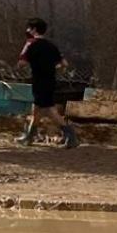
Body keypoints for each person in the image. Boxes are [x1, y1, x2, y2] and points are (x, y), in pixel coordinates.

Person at [17, 18, 77, 148]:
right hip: (50, 80)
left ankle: (69, 133)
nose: (27, 30)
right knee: (36, 110)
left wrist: (29, 54)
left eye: (29, 28)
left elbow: (21, 63)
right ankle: (29, 136)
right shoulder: (51, 45)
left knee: (49, 110)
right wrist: (50, 68)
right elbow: (64, 64)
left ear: (33, 29)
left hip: (39, 81)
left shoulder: (31, 44)